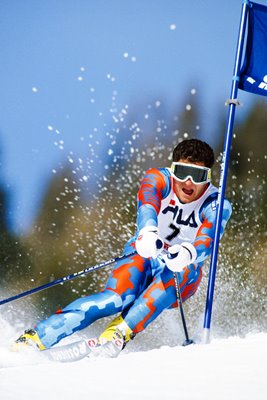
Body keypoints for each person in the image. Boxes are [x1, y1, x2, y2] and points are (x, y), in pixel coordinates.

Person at [13, 138, 232, 356]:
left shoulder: (216, 203)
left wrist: (189, 252)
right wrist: (147, 232)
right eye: (182, 172)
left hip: (181, 273)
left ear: (208, 177)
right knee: (115, 299)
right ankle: (37, 337)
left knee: (184, 269)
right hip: (147, 253)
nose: (188, 183)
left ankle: (118, 333)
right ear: (172, 169)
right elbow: (147, 204)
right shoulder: (158, 179)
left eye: (198, 176)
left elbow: (208, 239)